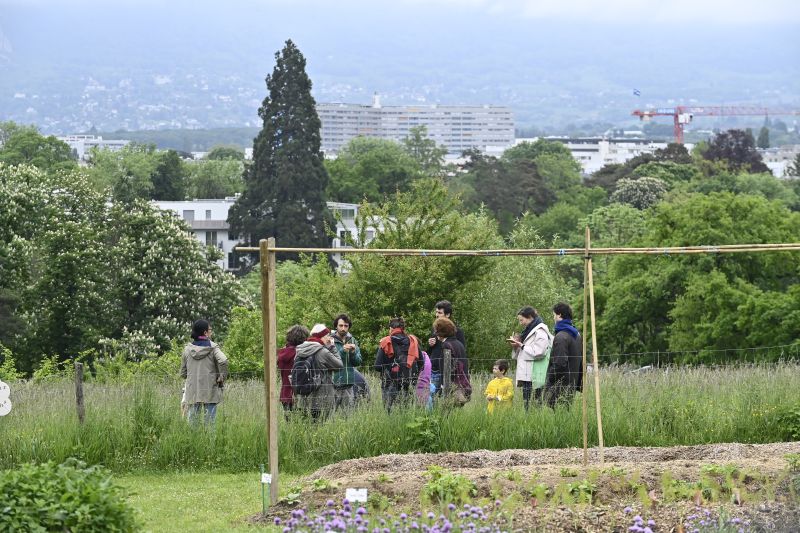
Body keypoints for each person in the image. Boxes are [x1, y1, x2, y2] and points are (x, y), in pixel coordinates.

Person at [180, 319, 228, 425]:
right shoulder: (213, 348)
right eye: (209, 330)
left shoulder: (187, 349)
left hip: (192, 391)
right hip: (210, 389)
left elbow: (183, 373)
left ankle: (193, 442)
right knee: (210, 424)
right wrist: (222, 376)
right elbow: (223, 360)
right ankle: (210, 442)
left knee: (192, 424)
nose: (211, 332)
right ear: (205, 333)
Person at [293, 324, 343, 419]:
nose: (329, 337)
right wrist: (332, 347)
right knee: (321, 427)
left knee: (307, 428)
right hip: (322, 399)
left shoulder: (300, 350)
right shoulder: (322, 351)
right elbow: (339, 365)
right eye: (328, 335)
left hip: (303, 398)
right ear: (323, 336)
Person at [508, 306, 552, 410]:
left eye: (521, 320)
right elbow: (524, 350)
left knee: (535, 404)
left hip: (534, 374)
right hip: (527, 373)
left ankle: (535, 423)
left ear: (529, 317)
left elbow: (540, 351)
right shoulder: (529, 330)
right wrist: (516, 346)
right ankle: (529, 422)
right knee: (527, 404)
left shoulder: (540, 330)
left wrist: (521, 346)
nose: (521, 323)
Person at [374, 317, 422, 413]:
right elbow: (421, 362)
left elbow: (377, 366)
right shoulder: (413, 341)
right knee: (406, 413)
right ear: (403, 328)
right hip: (409, 385)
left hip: (390, 385)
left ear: (391, 328)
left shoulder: (386, 342)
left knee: (390, 414)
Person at [545, 302, 583, 407]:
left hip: (558, 387)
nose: (553, 318)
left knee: (555, 418)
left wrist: (550, 378)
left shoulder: (561, 336)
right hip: (571, 384)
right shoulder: (576, 334)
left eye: (554, 315)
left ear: (559, 315)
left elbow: (560, 364)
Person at [427, 300, 467, 394]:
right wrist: (430, 344)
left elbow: (460, 352)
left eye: (440, 312)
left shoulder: (457, 331)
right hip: (433, 368)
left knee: (441, 397)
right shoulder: (435, 328)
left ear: (448, 314)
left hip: (447, 372)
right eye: (436, 312)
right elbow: (431, 350)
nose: (437, 315)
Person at [432, 317, 471, 406]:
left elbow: (447, 370)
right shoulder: (459, 344)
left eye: (436, 330)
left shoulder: (446, 345)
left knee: (447, 414)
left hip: (452, 388)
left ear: (440, 332)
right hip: (463, 386)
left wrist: (443, 387)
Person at [330, 314, 363, 411]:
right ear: (336, 326)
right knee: (330, 416)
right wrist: (343, 351)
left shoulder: (353, 340)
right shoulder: (330, 340)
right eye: (341, 325)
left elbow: (358, 362)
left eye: (346, 326)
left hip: (348, 384)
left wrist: (353, 353)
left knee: (348, 416)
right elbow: (331, 361)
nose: (343, 328)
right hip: (333, 385)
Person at [277, 324, 309, 412]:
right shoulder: (301, 354)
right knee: (302, 422)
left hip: (285, 393)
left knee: (289, 422)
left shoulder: (282, 353)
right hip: (299, 393)